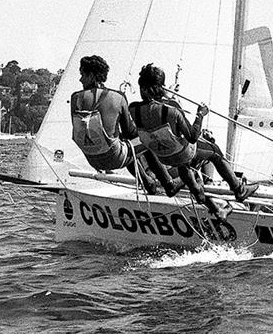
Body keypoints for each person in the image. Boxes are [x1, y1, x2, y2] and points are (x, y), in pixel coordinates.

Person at [129, 64, 256, 218]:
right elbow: (192, 136)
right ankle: (238, 189)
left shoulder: (133, 109)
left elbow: (151, 111)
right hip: (182, 153)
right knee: (214, 151)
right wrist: (200, 114)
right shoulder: (172, 108)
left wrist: (164, 96)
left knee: (185, 169)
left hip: (163, 156)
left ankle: (210, 204)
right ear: (161, 87)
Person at [70, 54, 174, 195]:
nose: (80, 79)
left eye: (83, 74)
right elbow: (131, 132)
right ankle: (168, 183)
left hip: (92, 159)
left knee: (125, 144)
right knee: (146, 139)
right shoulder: (118, 97)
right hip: (115, 158)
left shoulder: (75, 98)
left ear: (93, 75)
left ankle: (147, 181)